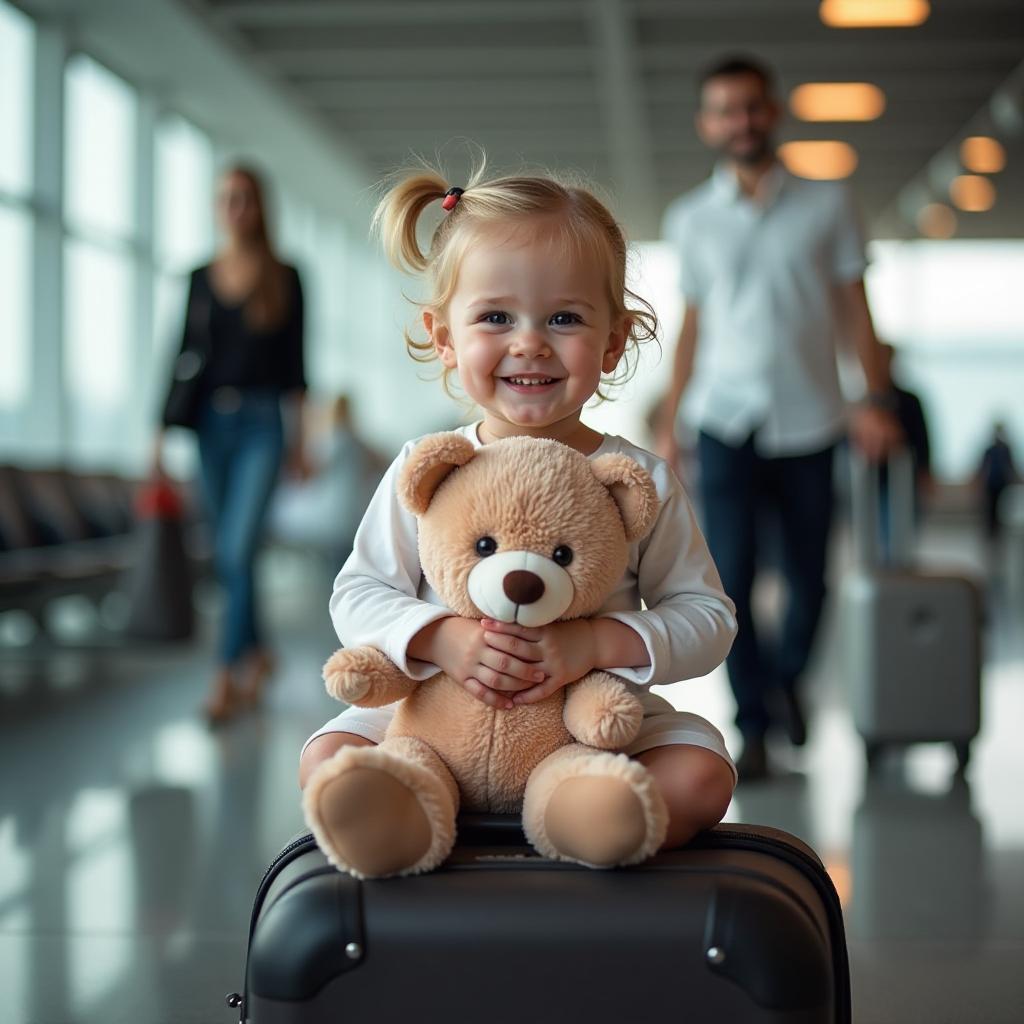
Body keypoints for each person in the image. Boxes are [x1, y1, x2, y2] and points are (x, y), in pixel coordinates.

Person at [298, 163, 740, 856]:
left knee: (703, 774)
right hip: (437, 718)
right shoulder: (431, 465)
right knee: (326, 759)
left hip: (592, 725)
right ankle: (406, 807)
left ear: (614, 340)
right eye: (495, 317)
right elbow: (359, 591)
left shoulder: (637, 478)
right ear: (444, 336)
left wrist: (595, 646)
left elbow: (708, 618)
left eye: (564, 318)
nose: (528, 342)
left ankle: (587, 816)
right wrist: (438, 638)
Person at [655, 56, 902, 779]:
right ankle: (755, 720)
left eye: (753, 107)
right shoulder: (690, 218)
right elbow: (692, 325)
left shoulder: (829, 203)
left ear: (775, 112)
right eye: (726, 110)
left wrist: (877, 401)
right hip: (722, 419)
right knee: (730, 576)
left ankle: (787, 680)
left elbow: (857, 311)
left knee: (810, 576)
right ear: (707, 124)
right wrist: (672, 422)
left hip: (812, 418)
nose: (742, 121)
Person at [153, 165, 308, 724]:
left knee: (238, 550)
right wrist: (157, 436)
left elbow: (297, 369)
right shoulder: (198, 277)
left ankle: (224, 675)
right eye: (225, 199)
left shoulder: (286, 277)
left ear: (260, 207)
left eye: (244, 198)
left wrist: (301, 441)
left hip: (264, 424)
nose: (234, 208)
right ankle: (259, 653)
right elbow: (180, 357)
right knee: (228, 554)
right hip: (209, 427)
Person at [976, 421, 1019, 544]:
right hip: (991, 484)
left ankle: (999, 531)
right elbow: (983, 467)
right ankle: (991, 531)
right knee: (990, 508)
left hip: (1003, 484)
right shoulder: (990, 450)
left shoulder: (1006, 449)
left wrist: (1014, 479)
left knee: (1002, 509)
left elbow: (1010, 466)